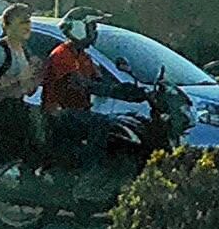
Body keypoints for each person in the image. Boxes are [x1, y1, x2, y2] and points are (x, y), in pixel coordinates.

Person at [42, 9, 150, 175]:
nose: (95, 32)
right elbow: (82, 84)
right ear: (78, 28)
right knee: (102, 124)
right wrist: (117, 92)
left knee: (129, 122)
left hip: (77, 112)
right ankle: (88, 173)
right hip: (59, 114)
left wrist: (131, 90)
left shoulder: (84, 57)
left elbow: (100, 80)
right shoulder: (62, 55)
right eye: (91, 26)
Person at [0, 3, 46, 166]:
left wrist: (37, 76)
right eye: (22, 22)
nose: (27, 26)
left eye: (28, 22)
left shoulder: (24, 52)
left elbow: (27, 91)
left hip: (16, 110)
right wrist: (18, 77)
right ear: (7, 26)